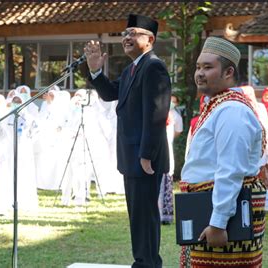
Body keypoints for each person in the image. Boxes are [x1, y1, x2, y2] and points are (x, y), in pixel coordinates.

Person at [85, 14, 171, 267]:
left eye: (133, 33)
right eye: (125, 34)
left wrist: (146, 154)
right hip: (130, 155)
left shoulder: (153, 66)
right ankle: (142, 261)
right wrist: (95, 70)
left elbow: (156, 114)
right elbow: (111, 93)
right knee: (137, 215)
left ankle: (149, 263)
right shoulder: (133, 67)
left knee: (145, 216)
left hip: (144, 157)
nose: (127, 38)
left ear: (150, 39)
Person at [180, 37, 265, 267]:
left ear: (228, 72)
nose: (199, 73)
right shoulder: (218, 105)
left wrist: (218, 223)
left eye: (208, 67)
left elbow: (231, 170)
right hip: (208, 207)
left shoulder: (232, 111)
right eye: (198, 67)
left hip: (221, 215)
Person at [158, 95, 183, 224]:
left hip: (164, 155)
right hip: (164, 155)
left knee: (164, 185)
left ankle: (163, 215)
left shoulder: (170, 118)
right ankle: (163, 215)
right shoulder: (168, 117)